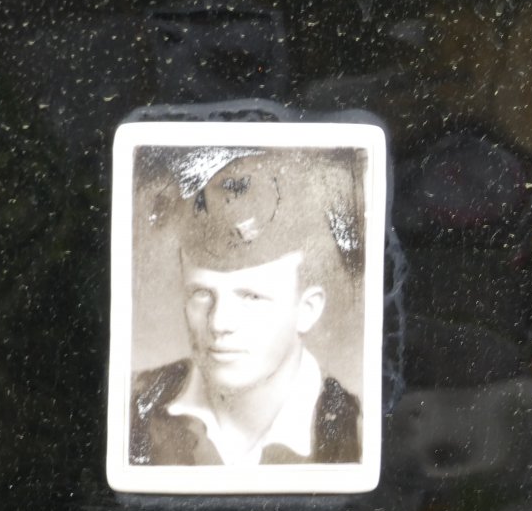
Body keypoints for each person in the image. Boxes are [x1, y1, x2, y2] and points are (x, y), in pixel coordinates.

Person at [129, 152, 361, 466]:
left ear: (307, 309)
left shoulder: (357, 433)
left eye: (251, 297)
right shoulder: (134, 407)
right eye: (201, 293)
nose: (219, 323)